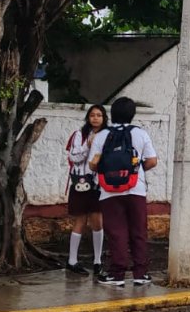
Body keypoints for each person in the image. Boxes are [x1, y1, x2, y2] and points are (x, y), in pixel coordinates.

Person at [89, 97, 158, 287]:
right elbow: (152, 161)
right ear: (132, 114)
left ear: (112, 114)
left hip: (109, 192)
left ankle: (117, 275)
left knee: (116, 232)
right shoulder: (140, 134)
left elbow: (93, 164)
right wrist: (136, 170)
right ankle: (140, 274)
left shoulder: (102, 136)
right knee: (138, 230)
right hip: (136, 189)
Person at [63, 104, 106, 275]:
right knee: (80, 220)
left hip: (98, 184)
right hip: (80, 182)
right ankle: (72, 261)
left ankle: (97, 261)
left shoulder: (107, 135)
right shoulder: (79, 135)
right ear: (88, 117)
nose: (95, 118)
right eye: (92, 115)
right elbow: (73, 157)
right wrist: (88, 145)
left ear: (104, 118)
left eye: (99, 115)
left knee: (98, 221)